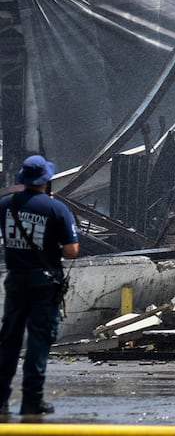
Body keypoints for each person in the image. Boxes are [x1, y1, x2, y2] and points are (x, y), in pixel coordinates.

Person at [0, 155, 79, 417]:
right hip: (45, 282)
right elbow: (71, 251)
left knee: (9, 340)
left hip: (16, 280)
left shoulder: (6, 206)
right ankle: (31, 400)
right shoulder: (56, 209)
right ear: (46, 181)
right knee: (38, 339)